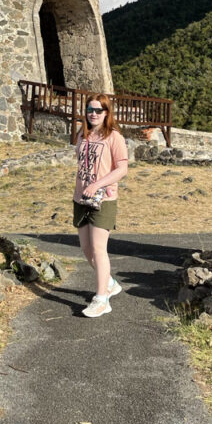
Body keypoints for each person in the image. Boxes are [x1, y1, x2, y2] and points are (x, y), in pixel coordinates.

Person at [73, 93, 128, 317]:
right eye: (90, 109)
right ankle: (110, 283)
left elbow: (122, 169)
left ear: (107, 113)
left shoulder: (114, 137)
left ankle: (102, 299)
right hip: (81, 198)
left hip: (103, 198)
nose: (93, 114)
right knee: (87, 249)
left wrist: (98, 185)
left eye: (98, 110)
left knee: (98, 248)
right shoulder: (82, 134)